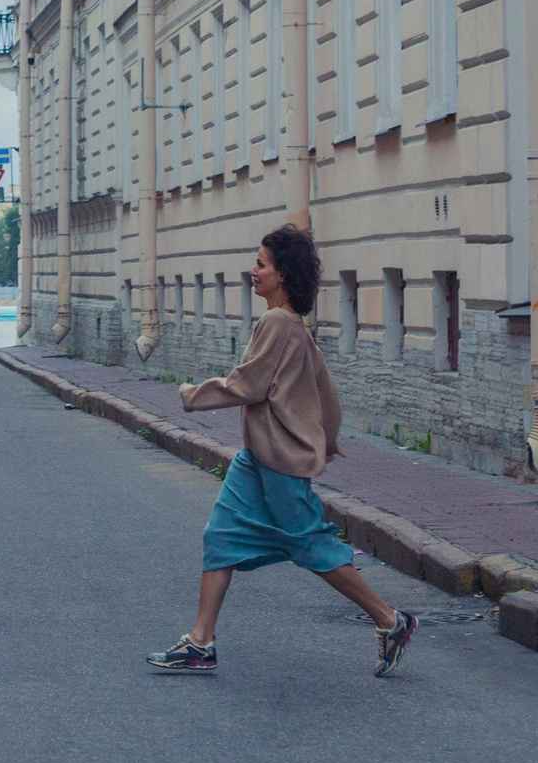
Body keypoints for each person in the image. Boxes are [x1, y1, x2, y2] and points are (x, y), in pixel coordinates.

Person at [147, 224, 417, 676]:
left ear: (282, 275)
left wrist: (191, 394)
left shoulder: (276, 323)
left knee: (310, 544)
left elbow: (247, 385)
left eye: (261, 264)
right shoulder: (294, 327)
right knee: (220, 538)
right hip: (258, 458)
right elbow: (324, 390)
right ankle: (200, 642)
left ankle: (391, 619)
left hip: (278, 462)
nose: (252, 271)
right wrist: (328, 440)